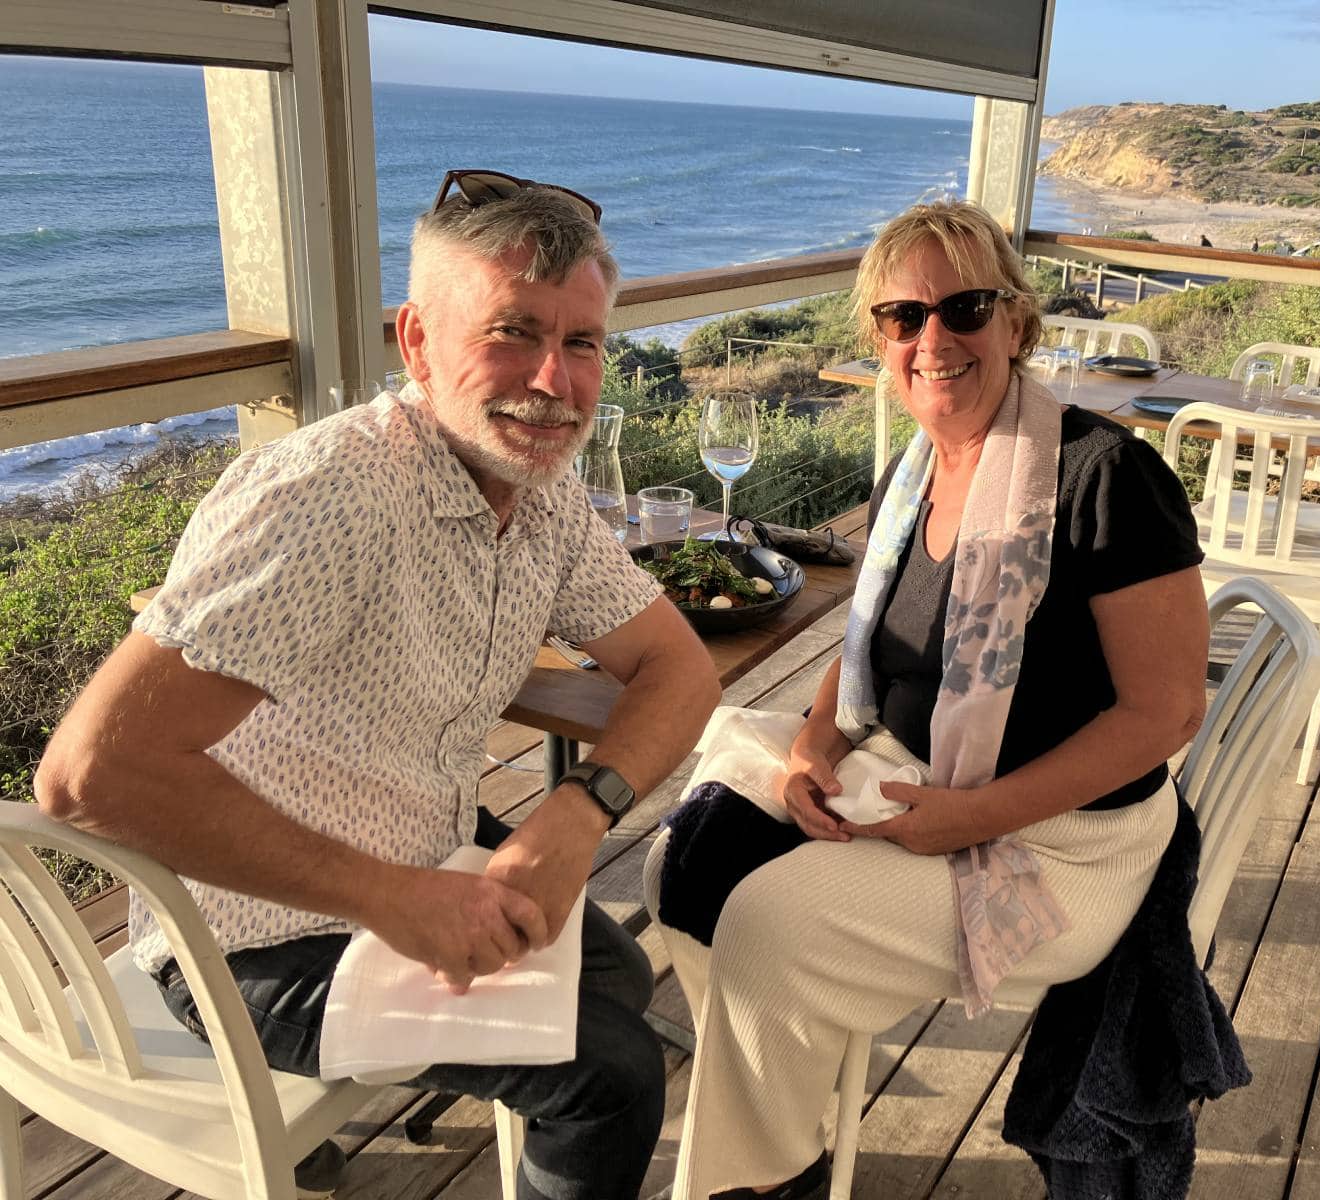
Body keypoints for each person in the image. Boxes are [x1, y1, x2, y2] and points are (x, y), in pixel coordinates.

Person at [34, 171, 721, 1200]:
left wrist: (579, 812)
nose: (553, 379)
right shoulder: (330, 497)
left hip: (419, 841)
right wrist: (390, 899)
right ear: (415, 342)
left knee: (614, 971)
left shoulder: (541, 492)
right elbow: (86, 777)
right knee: (613, 1075)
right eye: (512, 331)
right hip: (247, 936)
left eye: (580, 343)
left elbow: (679, 667)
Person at [643, 200, 1210, 1199]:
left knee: (770, 930)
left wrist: (971, 818)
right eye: (903, 317)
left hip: (1059, 841)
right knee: (686, 864)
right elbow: (879, 643)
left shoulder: (1103, 477)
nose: (932, 339)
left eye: (964, 308)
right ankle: (783, 1113)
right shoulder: (917, 468)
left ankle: (755, 1174)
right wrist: (817, 738)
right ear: (877, 337)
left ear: (1016, 323)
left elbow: (1162, 716)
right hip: (913, 775)